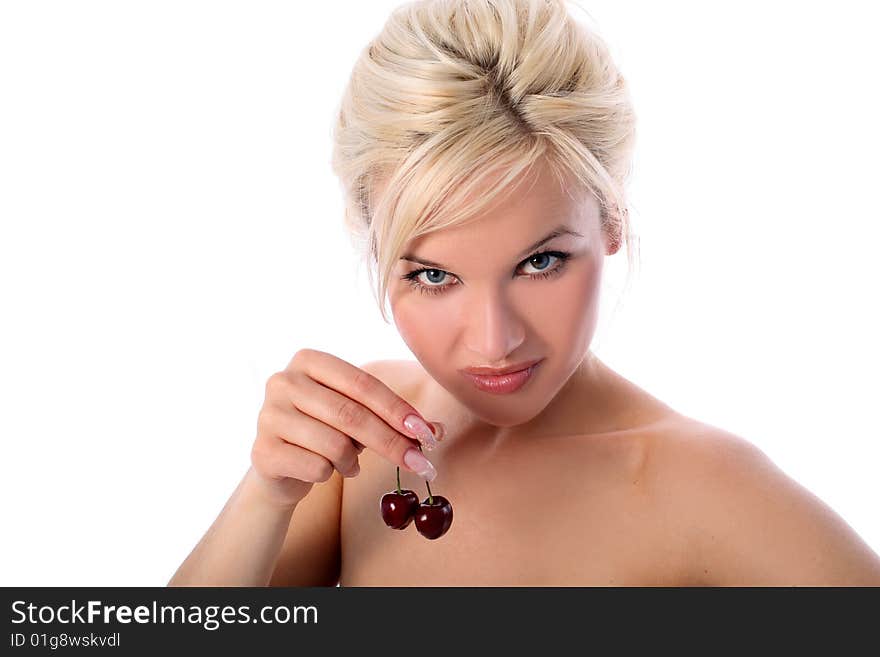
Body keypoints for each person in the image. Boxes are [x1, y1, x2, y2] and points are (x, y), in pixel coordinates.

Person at [168, 0, 880, 586]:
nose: (494, 340)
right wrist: (266, 492)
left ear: (611, 222)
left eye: (540, 262)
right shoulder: (352, 455)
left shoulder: (703, 487)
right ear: (371, 242)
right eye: (434, 276)